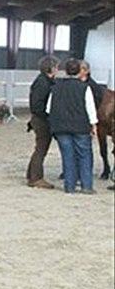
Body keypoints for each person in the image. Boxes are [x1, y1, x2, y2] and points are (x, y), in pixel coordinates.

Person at [46, 58, 98, 194]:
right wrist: (93, 125)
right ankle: (86, 186)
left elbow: (48, 108)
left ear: (66, 71)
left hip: (61, 127)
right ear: (79, 71)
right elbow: (90, 108)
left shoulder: (55, 86)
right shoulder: (84, 87)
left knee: (67, 156)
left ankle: (69, 187)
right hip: (80, 127)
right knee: (84, 155)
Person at [25, 55, 59, 189]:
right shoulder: (43, 83)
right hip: (42, 120)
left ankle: (31, 174)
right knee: (41, 149)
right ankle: (36, 178)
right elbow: (38, 105)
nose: (57, 69)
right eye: (56, 67)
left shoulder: (44, 81)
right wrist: (48, 117)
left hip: (40, 118)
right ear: (50, 68)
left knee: (40, 148)